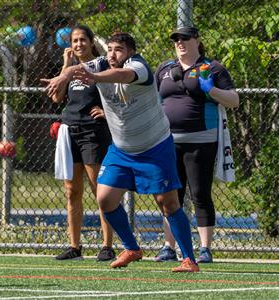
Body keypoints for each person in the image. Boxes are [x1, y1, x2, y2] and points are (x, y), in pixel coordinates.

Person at [42, 32, 199, 272]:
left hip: (154, 146)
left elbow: (122, 75)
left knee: (167, 203)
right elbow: (76, 69)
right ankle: (132, 248)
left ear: (130, 53)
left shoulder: (138, 66)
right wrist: (63, 76)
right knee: (105, 198)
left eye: (119, 50)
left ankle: (188, 259)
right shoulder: (100, 64)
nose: (112, 54)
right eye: (110, 49)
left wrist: (93, 77)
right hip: (122, 149)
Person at [154, 26, 239, 263]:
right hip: (167, 141)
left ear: (197, 40)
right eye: (176, 39)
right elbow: (153, 99)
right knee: (170, 194)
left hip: (201, 139)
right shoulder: (164, 69)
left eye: (185, 38)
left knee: (200, 193)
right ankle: (169, 247)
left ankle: (204, 249)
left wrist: (210, 89)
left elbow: (234, 100)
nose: (180, 43)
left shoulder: (211, 67)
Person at [51, 25, 114, 261]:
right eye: (74, 41)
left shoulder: (101, 65)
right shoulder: (69, 69)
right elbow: (56, 97)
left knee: (100, 191)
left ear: (91, 42)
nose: (78, 45)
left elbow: (118, 93)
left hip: (93, 133)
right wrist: (65, 67)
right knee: (71, 191)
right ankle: (75, 247)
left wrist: (107, 112)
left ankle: (107, 246)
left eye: (82, 40)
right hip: (69, 132)